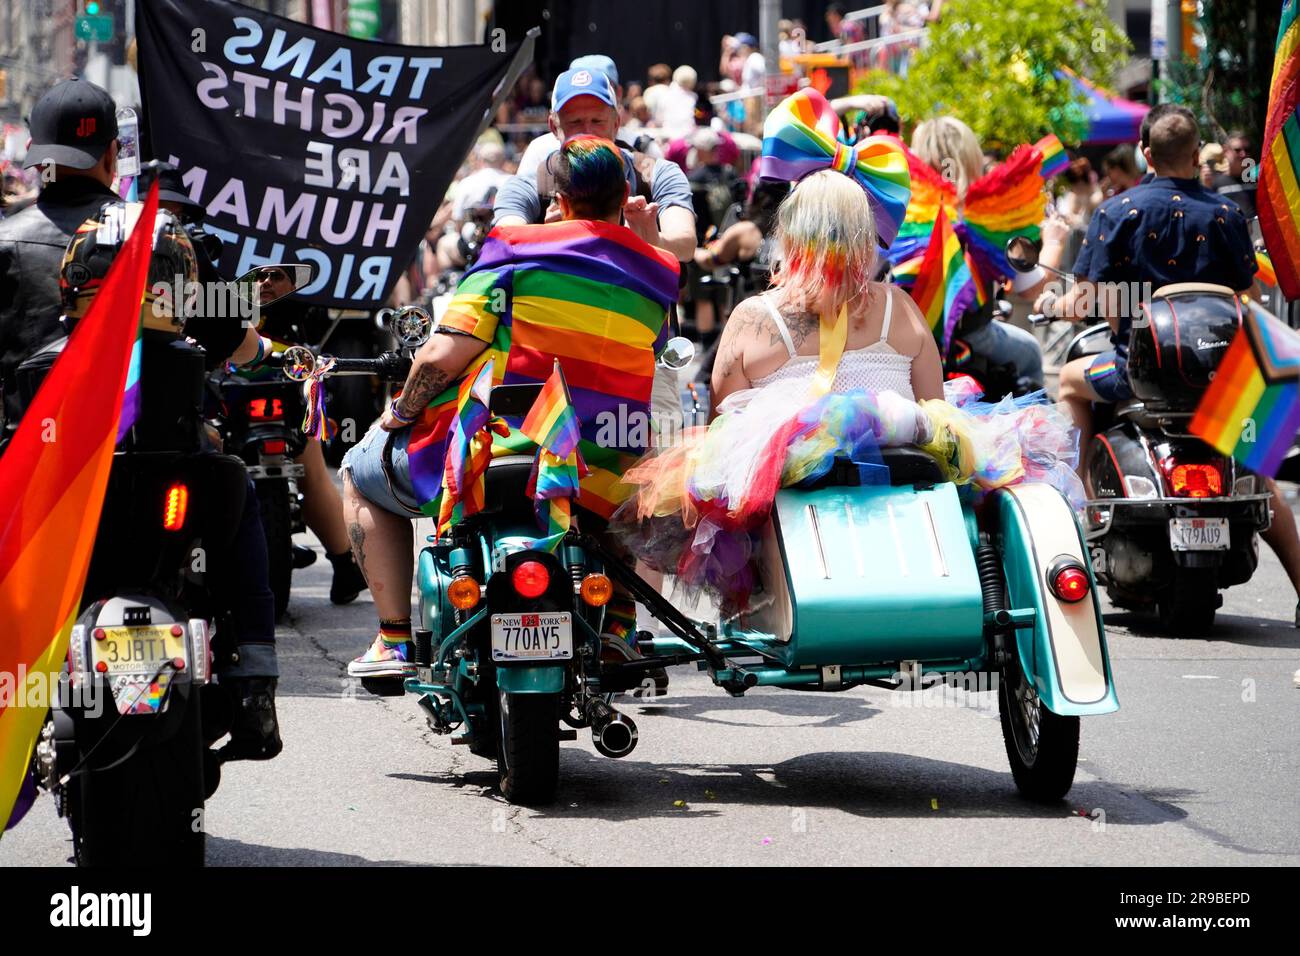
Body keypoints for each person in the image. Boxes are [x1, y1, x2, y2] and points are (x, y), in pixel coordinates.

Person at [0, 81, 283, 757]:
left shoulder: (8, 240)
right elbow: (232, 340)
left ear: (41, 157)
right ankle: (255, 686)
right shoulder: (164, 237)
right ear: (111, 156)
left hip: (40, 467)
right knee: (236, 493)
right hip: (169, 464)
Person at [340, 136, 680, 677]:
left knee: (360, 471)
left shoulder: (517, 246)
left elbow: (444, 354)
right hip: (607, 463)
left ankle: (395, 639)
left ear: (560, 199)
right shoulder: (660, 272)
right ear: (625, 198)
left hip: (506, 446)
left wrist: (401, 411)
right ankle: (617, 627)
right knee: (615, 504)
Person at [1038, 105, 1300, 626]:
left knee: (1068, 381)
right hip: (1218, 381)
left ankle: (1084, 510)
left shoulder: (1120, 212)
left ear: (1146, 153)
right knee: (1260, 468)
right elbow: (1246, 293)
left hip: (1133, 375)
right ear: (1196, 152)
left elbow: (1088, 299)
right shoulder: (1224, 215)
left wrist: (1061, 302)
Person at [909, 116, 1061, 390]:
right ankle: (1036, 426)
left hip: (908, 340)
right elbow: (1030, 288)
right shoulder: (989, 219)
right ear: (970, 159)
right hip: (974, 339)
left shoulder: (908, 215)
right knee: (1029, 350)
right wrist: (1055, 244)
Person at [493, 67, 696, 263]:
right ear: (554, 127)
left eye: (597, 120)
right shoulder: (532, 184)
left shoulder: (656, 174)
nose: (587, 131)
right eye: (575, 122)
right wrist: (548, 239)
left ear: (616, 124)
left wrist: (651, 241)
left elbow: (686, 245)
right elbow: (502, 242)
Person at [436, 141, 510, 274]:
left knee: (443, 244)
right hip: (505, 245)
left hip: (473, 246)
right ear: (503, 161)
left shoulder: (467, 182)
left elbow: (457, 220)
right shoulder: (512, 181)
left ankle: (452, 282)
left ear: (480, 160)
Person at [1211, 130, 1258, 218]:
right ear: (1225, 151)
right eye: (1237, 150)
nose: (1243, 154)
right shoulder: (1216, 184)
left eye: (1247, 150)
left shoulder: (1256, 182)